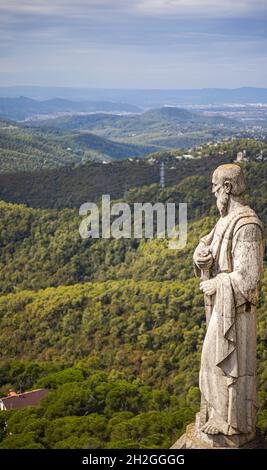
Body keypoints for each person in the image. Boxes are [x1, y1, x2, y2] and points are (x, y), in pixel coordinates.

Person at [193, 164, 264, 437]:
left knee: (227, 368)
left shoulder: (247, 225)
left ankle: (232, 424)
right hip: (221, 309)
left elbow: (249, 280)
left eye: (215, 189)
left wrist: (218, 283)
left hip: (237, 314)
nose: (213, 195)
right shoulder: (224, 220)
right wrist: (199, 255)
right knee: (210, 367)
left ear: (227, 188)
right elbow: (206, 246)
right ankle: (217, 414)